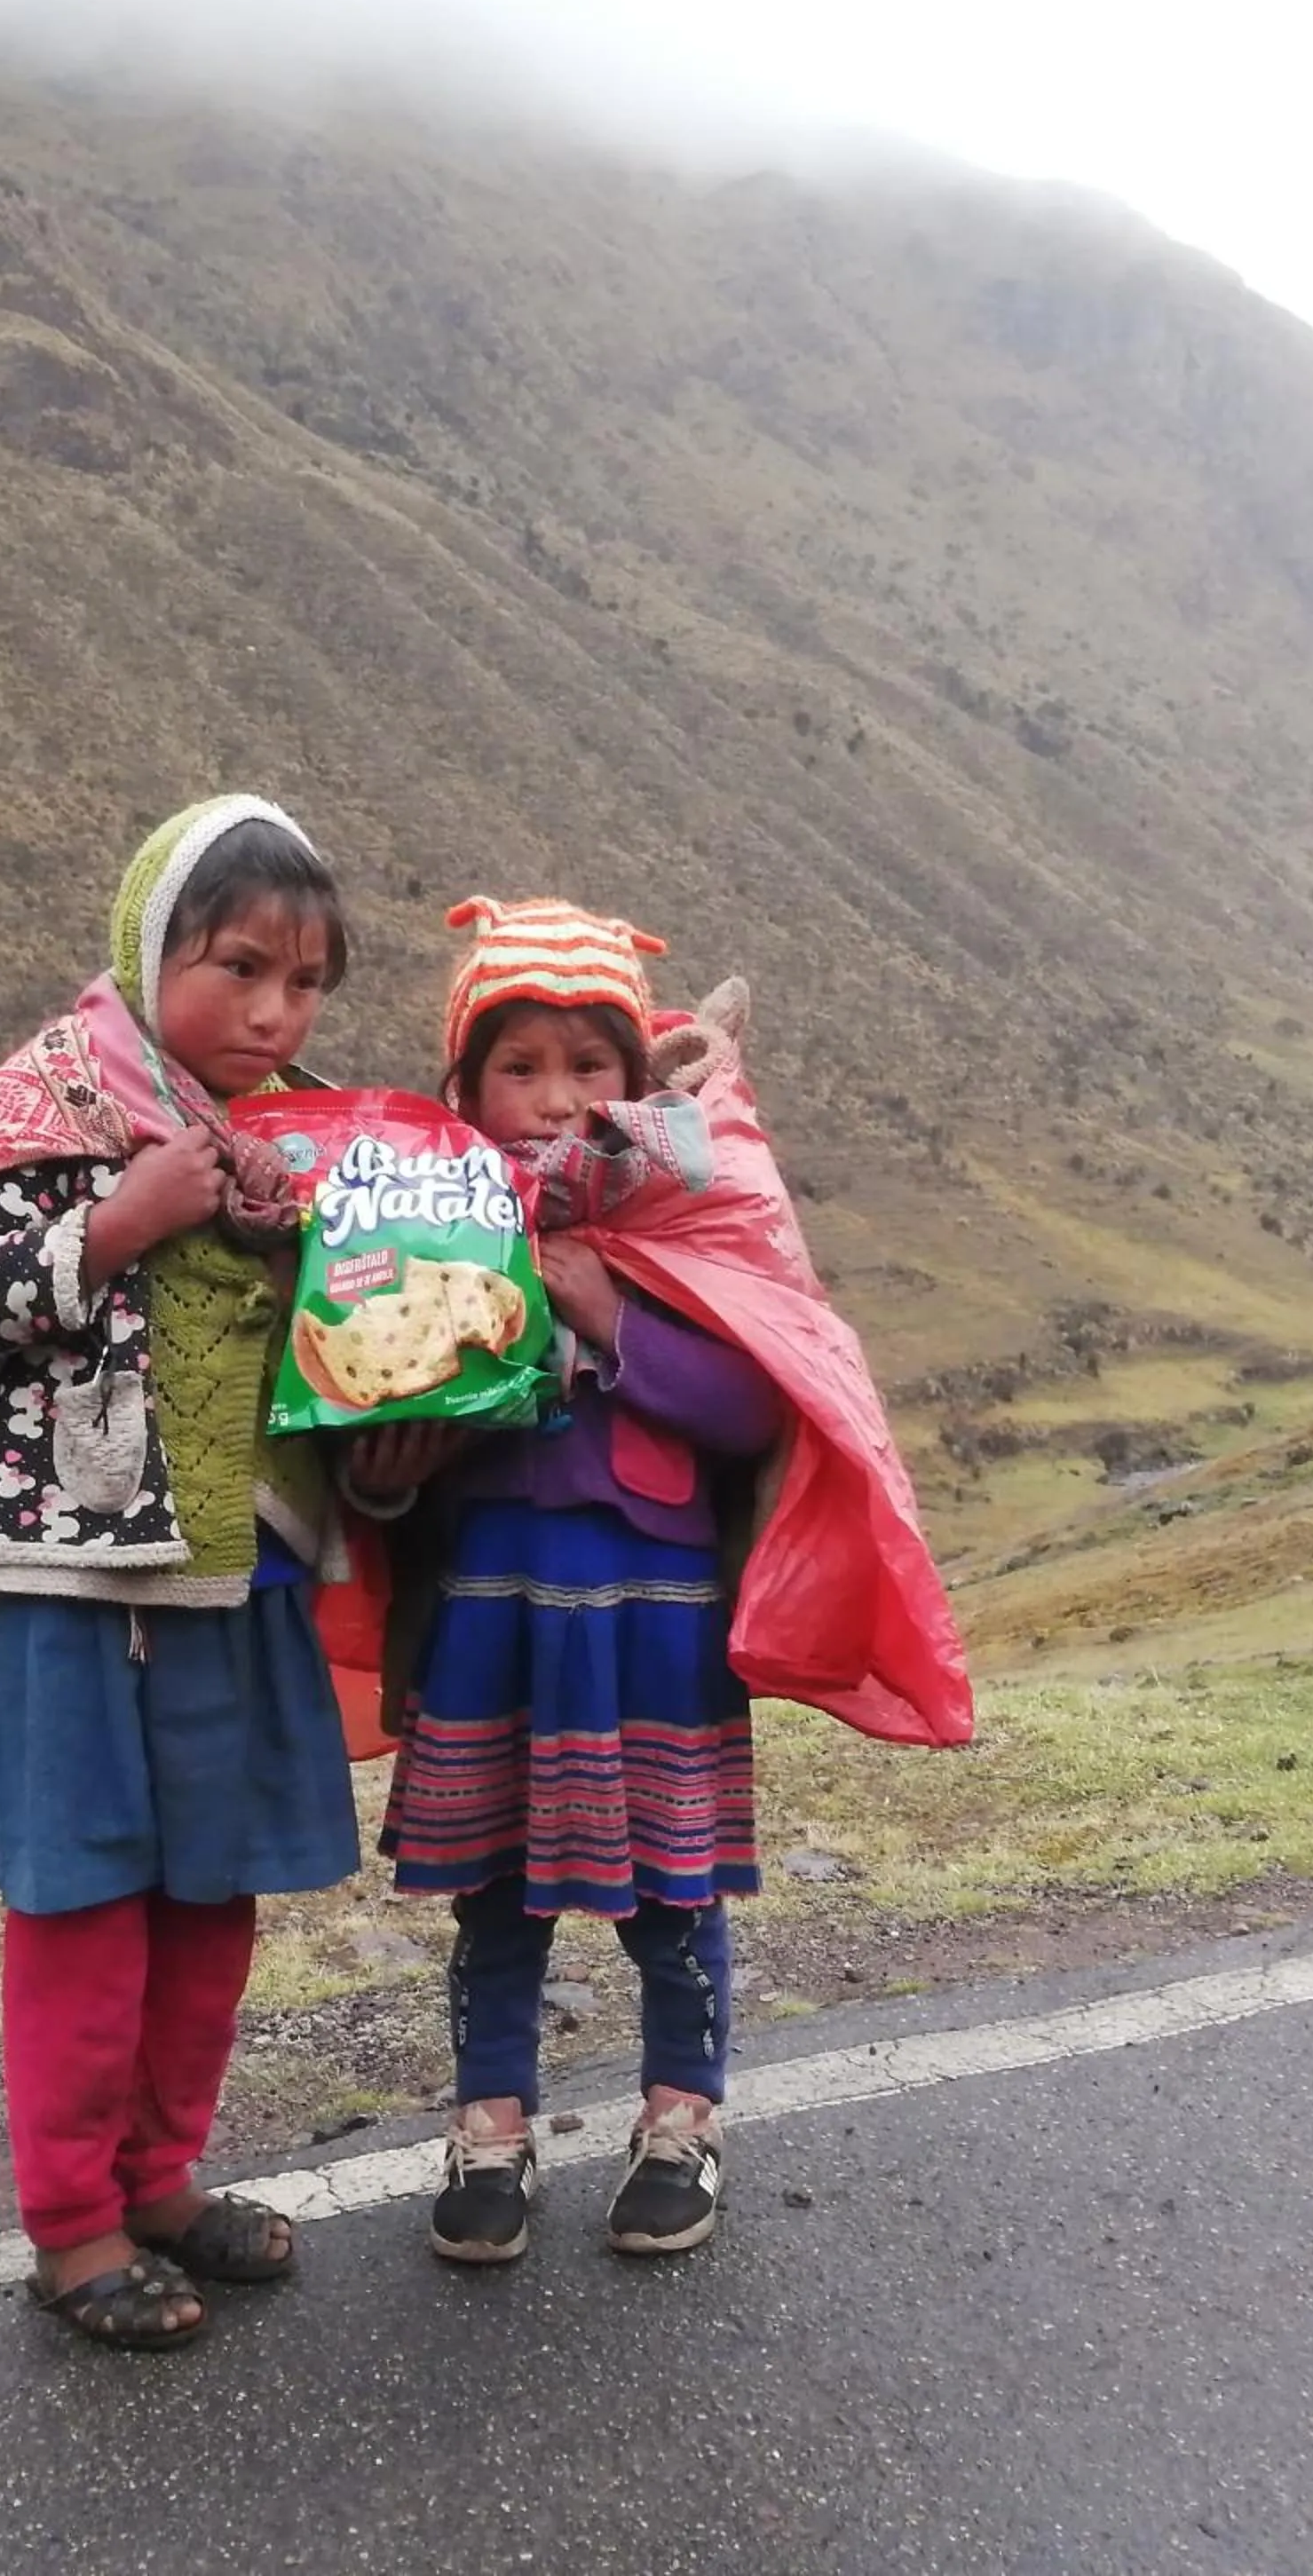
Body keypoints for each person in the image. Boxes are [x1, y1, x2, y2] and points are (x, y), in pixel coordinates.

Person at [0, 795, 358, 2351]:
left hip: (242, 1582)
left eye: (304, 984)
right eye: (239, 968)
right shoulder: (51, 1095)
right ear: (149, 948)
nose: (273, 1014)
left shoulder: (314, 1142)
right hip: (81, 1593)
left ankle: (160, 2183)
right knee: (81, 1908)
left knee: (211, 1901)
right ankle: (71, 2229)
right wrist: (114, 1226)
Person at [349, 898, 792, 2264]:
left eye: (587, 1066)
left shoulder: (687, 1213)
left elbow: (755, 1403)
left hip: (659, 1616)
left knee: (673, 1894)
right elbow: (370, 1421)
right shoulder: (419, 1232)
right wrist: (387, 1477)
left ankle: (681, 2121)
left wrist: (609, 1312)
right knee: (494, 1900)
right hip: (490, 1616)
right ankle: (491, 2131)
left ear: (633, 1076)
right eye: (519, 1067)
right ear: (465, 1088)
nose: (553, 1098)